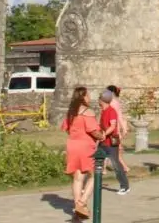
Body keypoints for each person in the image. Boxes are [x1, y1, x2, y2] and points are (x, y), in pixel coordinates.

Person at [62, 86, 103, 219]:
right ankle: (82, 202)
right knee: (94, 174)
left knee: (78, 177)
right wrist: (102, 136)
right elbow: (93, 130)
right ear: (83, 97)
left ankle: (77, 208)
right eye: (87, 95)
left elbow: (66, 128)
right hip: (85, 145)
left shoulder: (71, 112)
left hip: (72, 144)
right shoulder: (87, 111)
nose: (89, 97)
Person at [97, 89, 131, 194]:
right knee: (97, 162)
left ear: (102, 100)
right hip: (102, 142)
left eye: (99, 98)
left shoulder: (111, 111)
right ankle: (95, 183)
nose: (98, 100)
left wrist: (104, 134)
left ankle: (125, 186)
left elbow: (112, 126)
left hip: (111, 143)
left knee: (116, 164)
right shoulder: (103, 111)